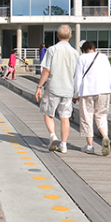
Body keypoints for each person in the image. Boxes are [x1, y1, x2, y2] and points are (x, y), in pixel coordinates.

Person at [35, 25, 80, 153]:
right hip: (68, 88)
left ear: (57, 35)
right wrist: (76, 92)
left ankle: (53, 135)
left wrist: (39, 86)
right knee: (65, 117)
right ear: (70, 36)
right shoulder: (75, 53)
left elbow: (46, 70)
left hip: (53, 87)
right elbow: (77, 75)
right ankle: (64, 144)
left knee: (48, 113)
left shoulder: (52, 50)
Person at [74, 41, 111, 156]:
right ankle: (105, 136)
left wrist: (75, 94)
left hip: (86, 92)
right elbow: (110, 75)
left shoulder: (82, 58)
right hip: (103, 90)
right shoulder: (103, 57)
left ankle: (90, 146)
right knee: (101, 115)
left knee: (86, 117)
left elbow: (78, 78)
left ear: (83, 50)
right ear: (94, 48)